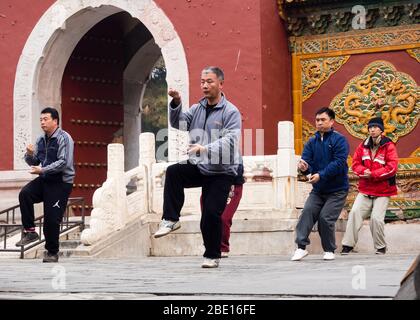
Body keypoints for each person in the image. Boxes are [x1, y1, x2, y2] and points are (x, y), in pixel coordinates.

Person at [153, 66, 242, 268]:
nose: (205, 85)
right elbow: (179, 123)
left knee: (210, 214)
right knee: (174, 172)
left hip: (221, 172)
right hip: (201, 167)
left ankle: (212, 255)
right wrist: (176, 103)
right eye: (202, 81)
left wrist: (205, 148)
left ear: (220, 83)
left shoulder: (230, 111)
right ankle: (170, 219)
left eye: (209, 81)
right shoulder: (197, 108)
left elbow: (231, 141)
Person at [15, 107, 75, 263]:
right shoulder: (41, 140)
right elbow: (35, 161)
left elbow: (63, 162)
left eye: (45, 119)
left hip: (61, 182)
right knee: (25, 194)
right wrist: (28, 155)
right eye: (41, 119)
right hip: (45, 178)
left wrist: (42, 170)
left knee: (51, 218)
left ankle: (52, 252)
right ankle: (30, 232)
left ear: (55, 121)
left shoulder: (64, 138)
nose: (42, 122)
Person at [291, 107, 349, 261]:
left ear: (332, 121)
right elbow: (307, 162)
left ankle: (329, 249)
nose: (319, 123)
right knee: (307, 213)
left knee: (325, 218)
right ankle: (301, 247)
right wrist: (305, 168)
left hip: (337, 190)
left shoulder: (339, 140)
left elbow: (339, 163)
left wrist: (320, 175)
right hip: (318, 190)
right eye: (317, 120)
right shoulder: (311, 142)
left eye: (323, 120)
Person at [341, 117, 398, 255]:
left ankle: (380, 247)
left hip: (383, 190)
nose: (372, 129)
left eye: (375, 127)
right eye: (370, 127)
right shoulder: (363, 146)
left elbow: (392, 167)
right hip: (365, 189)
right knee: (354, 213)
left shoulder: (389, 146)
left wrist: (372, 174)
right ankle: (348, 245)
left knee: (376, 219)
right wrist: (363, 171)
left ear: (381, 130)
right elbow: (355, 164)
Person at [200, 163, 245, 258]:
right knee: (207, 218)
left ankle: (223, 247)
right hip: (211, 185)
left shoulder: (232, 151)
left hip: (232, 185)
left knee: (224, 218)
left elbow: (238, 168)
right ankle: (210, 247)